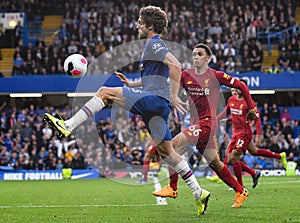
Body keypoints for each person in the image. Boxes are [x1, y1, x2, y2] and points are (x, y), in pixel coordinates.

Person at [43, 5, 209, 216]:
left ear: (149, 26)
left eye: (140, 22)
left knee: (104, 92)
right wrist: (131, 85)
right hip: (156, 103)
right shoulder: (151, 46)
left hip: (155, 100)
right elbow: (152, 79)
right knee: (167, 152)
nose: (137, 26)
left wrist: (174, 95)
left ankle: (67, 125)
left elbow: (175, 66)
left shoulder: (154, 43)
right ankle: (198, 192)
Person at [152, 43, 258, 208]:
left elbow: (241, 86)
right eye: (194, 54)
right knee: (215, 163)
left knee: (172, 147)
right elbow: (173, 92)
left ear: (208, 58)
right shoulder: (186, 75)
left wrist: (251, 108)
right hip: (196, 124)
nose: (196, 57)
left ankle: (173, 188)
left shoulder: (216, 76)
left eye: (200, 54)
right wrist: (172, 102)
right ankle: (240, 190)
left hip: (207, 123)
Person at [214, 80, 287, 188]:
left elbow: (257, 120)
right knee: (254, 152)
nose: (236, 89)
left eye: (239, 87)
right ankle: (278, 157)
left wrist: (258, 134)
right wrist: (215, 119)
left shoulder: (249, 103)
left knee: (232, 158)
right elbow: (227, 112)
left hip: (245, 133)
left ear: (244, 88)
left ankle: (238, 185)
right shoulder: (231, 100)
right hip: (236, 133)